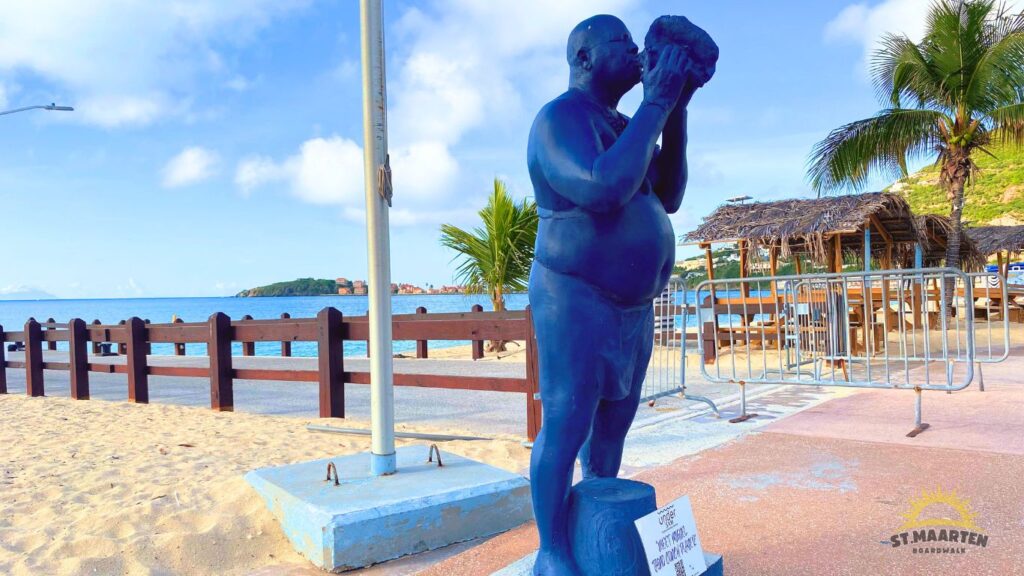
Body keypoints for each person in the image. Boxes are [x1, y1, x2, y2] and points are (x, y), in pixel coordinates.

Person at [526, 14, 709, 575]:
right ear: (584, 58)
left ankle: (596, 531)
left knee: (615, 419)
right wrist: (655, 105)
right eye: (623, 45)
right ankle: (553, 548)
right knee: (566, 418)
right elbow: (601, 187)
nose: (635, 53)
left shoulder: (627, 121)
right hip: (574, 294)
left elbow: (670, 192)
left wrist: (675, 108)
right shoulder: (558, 120)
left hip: (631, 306)